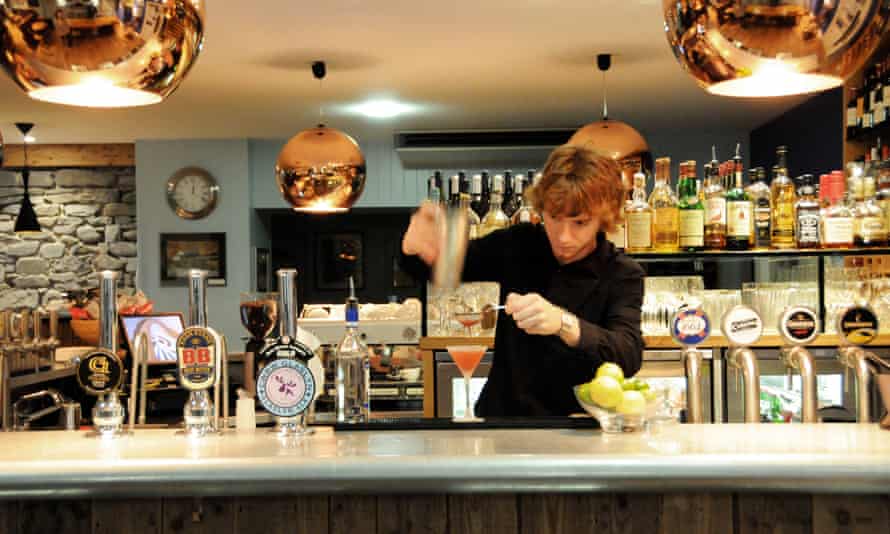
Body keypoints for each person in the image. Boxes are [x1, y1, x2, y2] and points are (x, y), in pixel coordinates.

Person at [400, 145, 644, 416]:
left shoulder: (622, 273)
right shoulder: (519, 243)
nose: (563, 237)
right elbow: (442, 270)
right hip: (504, 421)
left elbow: (628, 355)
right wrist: (416, 248)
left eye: (580, 223)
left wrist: (562, 323)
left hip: (579, 427)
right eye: (554, 218)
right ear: (542, 209)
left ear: (604, 217)